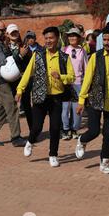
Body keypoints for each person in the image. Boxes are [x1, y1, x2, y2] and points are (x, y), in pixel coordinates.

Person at [16, 27, 75, 167]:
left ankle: (53, 154)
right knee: (36, 127)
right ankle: (30, 142)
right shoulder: (38, 55)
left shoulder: (64, 57)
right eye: (46, 38)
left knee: (55, 128)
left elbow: (72, 77)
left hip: (56, 98)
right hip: (39, 96)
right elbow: (27, 73)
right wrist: (20, 90)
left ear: (57, 38)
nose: (48, 41)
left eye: (51, 38)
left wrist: (61, 77)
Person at [74, 25, 109, 174]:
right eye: (104, 39)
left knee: (108, 133)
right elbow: (87, 79)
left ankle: (104, 162)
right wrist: (81, 101)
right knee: (94, 131)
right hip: (95, 98)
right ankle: (82, 140)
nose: (106, 43)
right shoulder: (95, 57)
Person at [0, 21, 26, 147]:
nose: (3, 32)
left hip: (1, 80)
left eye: (4, 30)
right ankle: (16, 137)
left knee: (0, 110)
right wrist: (19, 56)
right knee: (12, 107)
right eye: (1, 30)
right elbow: (4, 62)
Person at [61, 27, 87, 140]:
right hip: (66, 83)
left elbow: (86, 67)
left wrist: (86, 83)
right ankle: (66, 130)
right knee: (65, 108)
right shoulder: (64, 50)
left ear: (78, 38)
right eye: (70, 35)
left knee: (77, 109)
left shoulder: (82, 51)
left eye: (74, 35)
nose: (72, 37)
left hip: (78, 82)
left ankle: (75, 129)